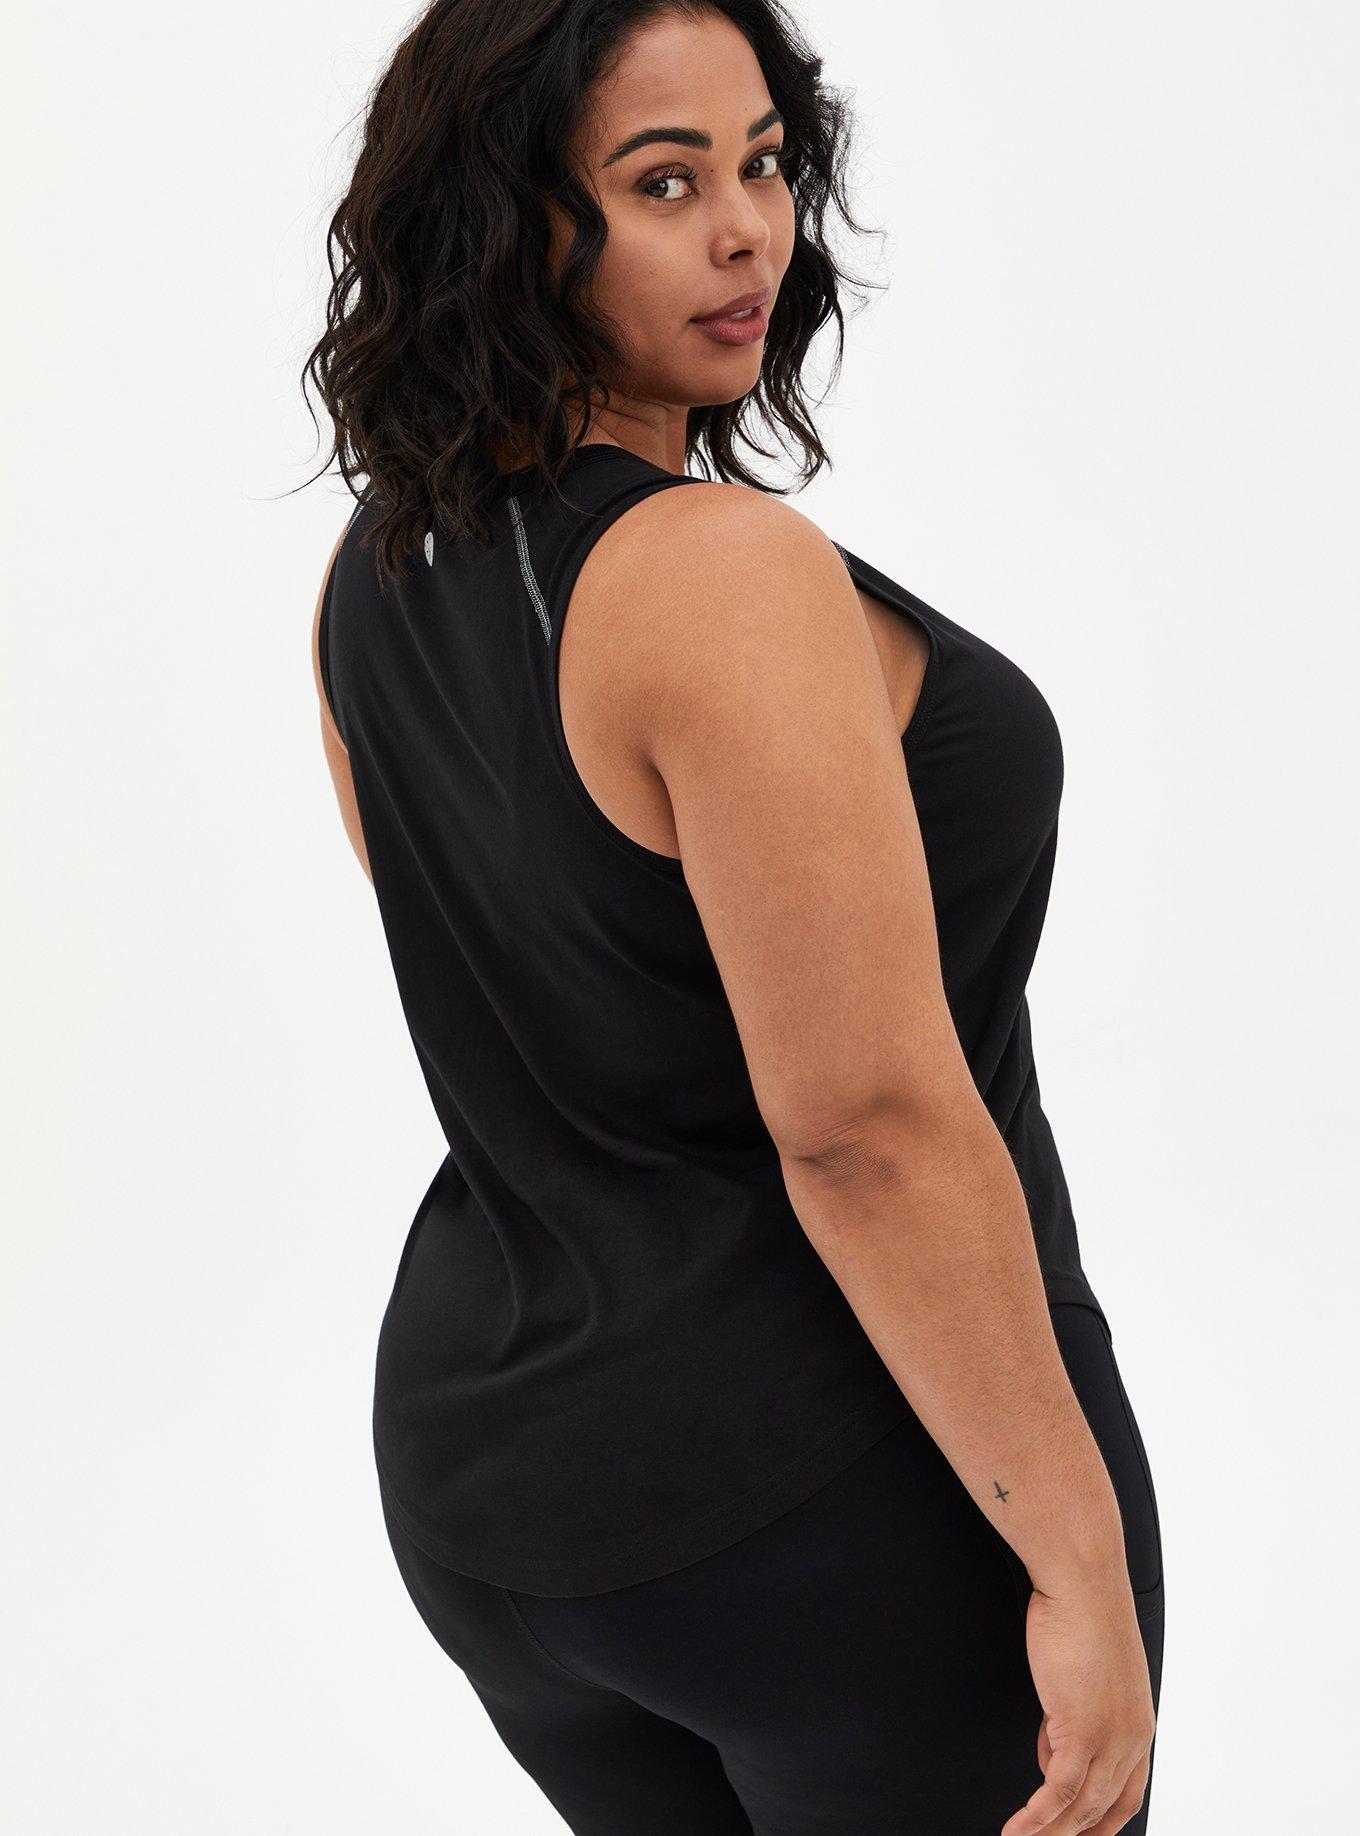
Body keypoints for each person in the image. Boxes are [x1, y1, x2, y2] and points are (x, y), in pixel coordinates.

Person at [304, 2, 1165, 1830]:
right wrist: (1080, 1556)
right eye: (662, 182)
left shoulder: (378, 568)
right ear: (507, 218)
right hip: (839, 1499)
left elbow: (529, 995)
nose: (748, 232)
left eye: (764, 164)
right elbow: (863, 1131)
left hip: (501, 1494)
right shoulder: (716, 569)